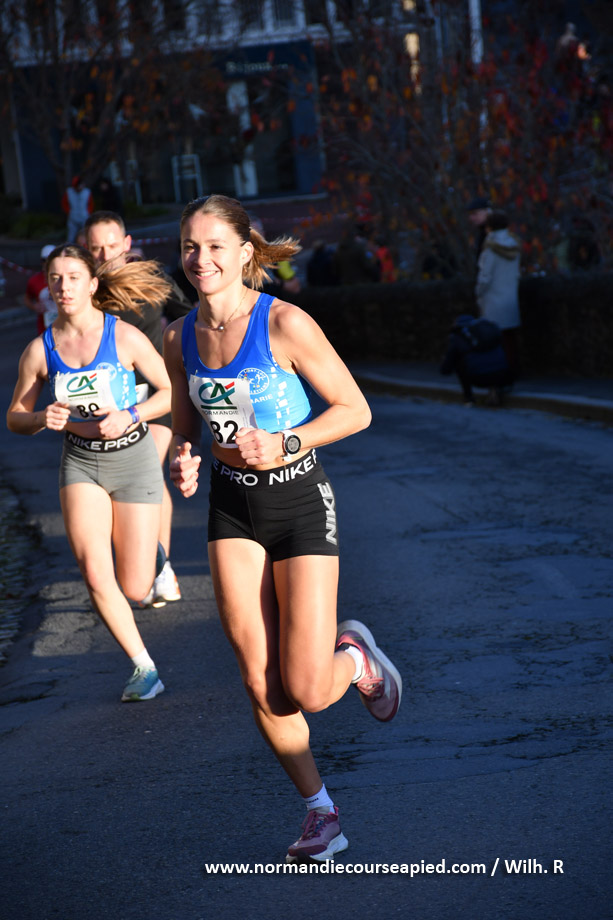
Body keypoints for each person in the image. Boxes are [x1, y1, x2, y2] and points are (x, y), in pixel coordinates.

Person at [164, 194, 402, 862]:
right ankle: (320, 812)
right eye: (189, 246)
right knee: (258, 680)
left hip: (298, 501)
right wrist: (181, 458)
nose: (200, 259)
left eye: (215, 246)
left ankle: (355, 657)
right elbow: (184, 428)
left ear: (245, 251)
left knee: (307, 689)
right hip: (231, 507)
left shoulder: (286, 323)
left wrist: (287, 441)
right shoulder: (178, 337)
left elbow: (355, 409)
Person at [7, 245, 173, 702]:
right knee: (96, 573)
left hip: (133, 457)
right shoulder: (40, 350)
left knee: (136, 586)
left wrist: (132, 414)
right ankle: (143, 667)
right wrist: (40, 417)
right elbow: (15, 417)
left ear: (92, 284)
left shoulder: (124, 337)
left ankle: (154, 556)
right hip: (81, 462)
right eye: (55, 279)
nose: (64, 287)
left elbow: (170, 391)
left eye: (74, 277)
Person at [84, 210, 193, 607]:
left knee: (147, 466)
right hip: (108, 403)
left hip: (157, 394)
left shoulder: (152, 276)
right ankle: (145, 562)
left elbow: (190, 316)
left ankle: (159, 568)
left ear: (127, 244)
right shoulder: (85, 289)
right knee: (123, 486)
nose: (104, 254)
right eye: (96, 247)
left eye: (112, 245)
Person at [476, 210, 522, 379]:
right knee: (510, 337)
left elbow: (485, 277)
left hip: (493, 299)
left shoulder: (490, 249)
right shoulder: (514, 244)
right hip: (510, 296)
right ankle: (514, 369)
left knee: (495, 338)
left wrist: (478, 292)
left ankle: (500, 372)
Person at [440, 314, 516, 406]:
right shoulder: (490, 330)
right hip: (503, 375)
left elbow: (445, 370)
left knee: (460, 361)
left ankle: (468, 398)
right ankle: (495, 387)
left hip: (479, 378)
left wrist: (446, 361)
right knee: (490, 357)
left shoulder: (457, 336)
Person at [25, 244, 57, 334]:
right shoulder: (34, 281)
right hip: (44, 329)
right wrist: (34, 306)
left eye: (50, 260)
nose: (47, 263)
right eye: (44, 260)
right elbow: (27, 298)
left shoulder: (65, 278)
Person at [61, 176, 94, 243]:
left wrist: (88, 212)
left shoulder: (86, 192)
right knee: (71, 235)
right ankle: (70, 247)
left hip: (84, 216)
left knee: (85, 234)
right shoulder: (69, 192)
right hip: (73, 216)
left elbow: (91, 204)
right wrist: (69, 211)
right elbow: (64, 203)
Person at [467, 196, 492, 262]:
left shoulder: (494, 233)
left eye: (474, 213)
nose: (471, 218)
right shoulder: (483, 232)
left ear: (487, 211)